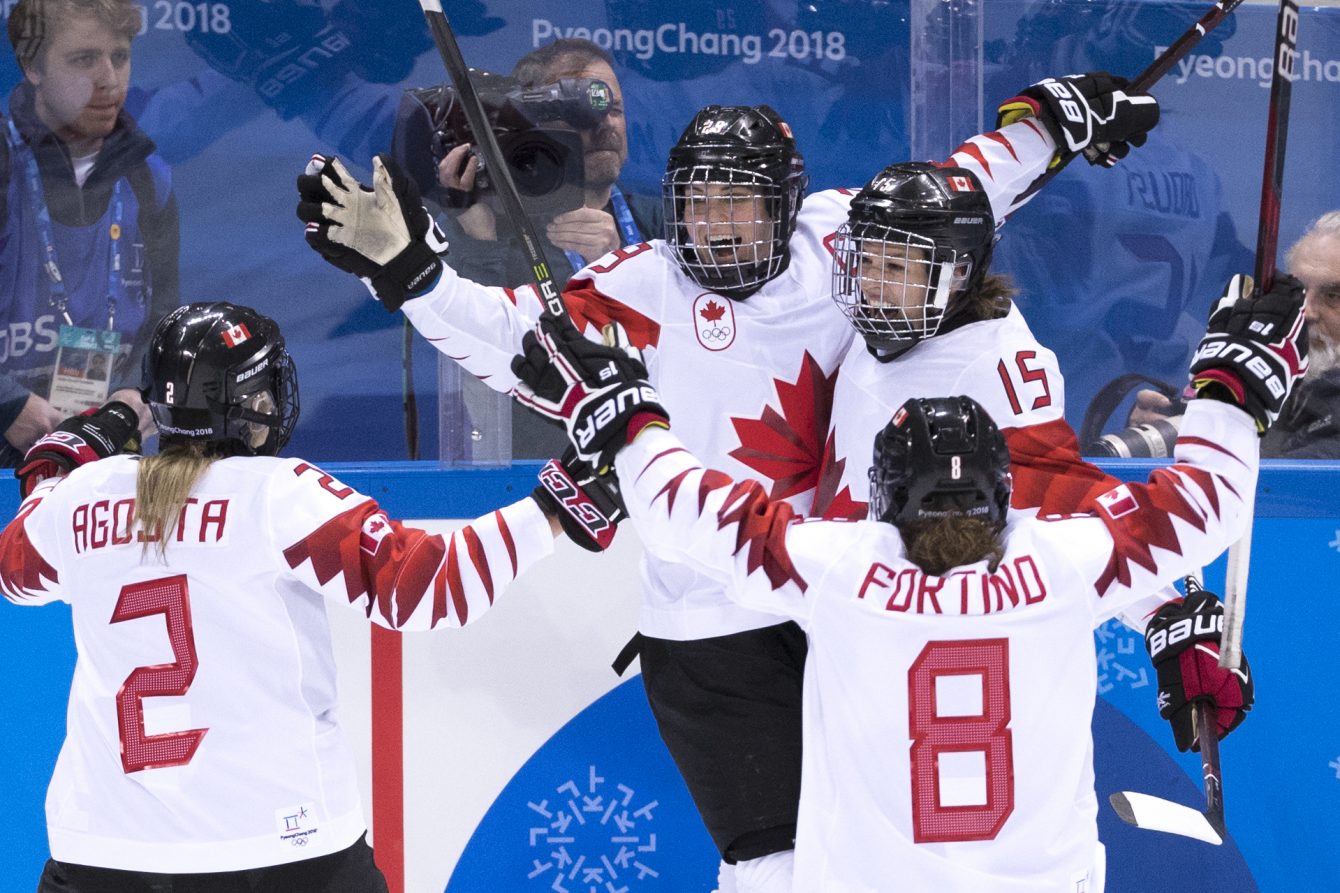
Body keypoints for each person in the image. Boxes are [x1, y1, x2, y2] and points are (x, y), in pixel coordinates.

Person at [296, 75, 1156, 890]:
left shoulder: (840, 238)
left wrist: (1054, 118)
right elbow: (516, 339)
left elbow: (967, 187)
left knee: (870, 851)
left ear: (785, 205)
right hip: (714, 626)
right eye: (698, 205)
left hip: (846, 594)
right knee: (774, 867)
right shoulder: (643, 288)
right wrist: (411, 273)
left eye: (736, 204)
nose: (714, 226)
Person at [507, 258, 1307, 888]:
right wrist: (1229, 391)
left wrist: (623, 413)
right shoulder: (1066, 563)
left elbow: (681, 509)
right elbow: (1210, 499)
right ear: (1005, 494)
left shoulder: (837, 567)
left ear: (878, 498)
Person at [0, 301, 573, 891]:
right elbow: (423, 586)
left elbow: (14, 568)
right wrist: (562, 505)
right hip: (280, 849)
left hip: (105, 850)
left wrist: (82, 440)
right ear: (246, 405)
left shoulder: (84, 496)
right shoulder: (276, 495)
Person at [427, 38, 657, 459]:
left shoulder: (666, 225)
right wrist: (479, 242)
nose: (604, 122)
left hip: (660, 472)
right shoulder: (488, 232)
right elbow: (476, 365)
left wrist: (619, 269)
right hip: (542, 486)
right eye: (581, 108)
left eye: (614, 107)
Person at [0, 0, 179, 466]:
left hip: (102, 461)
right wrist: (6, 404)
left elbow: (162, 316)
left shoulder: (148, 176)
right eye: (83, 59)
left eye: (119, 57)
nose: (109, 79)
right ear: (32, 66)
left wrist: (138, 392)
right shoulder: (4, 165)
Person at [1130, 212, 1340, 459]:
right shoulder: (1267, 384)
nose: (1306, 312)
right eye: (1299, 290)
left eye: (1333, 296)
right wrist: (1159, 435)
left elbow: (1278, 491)